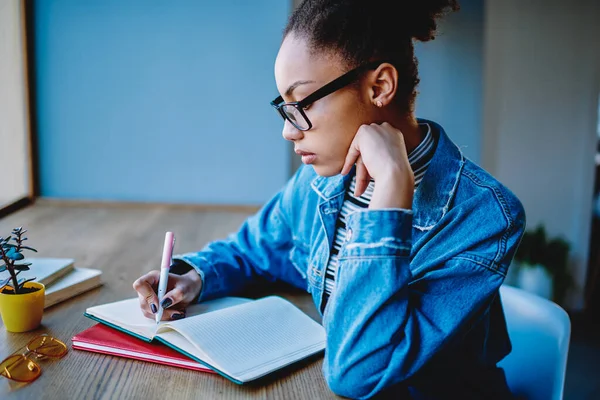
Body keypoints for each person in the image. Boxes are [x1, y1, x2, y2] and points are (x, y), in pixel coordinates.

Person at [133, 0, 525, 398]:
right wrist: (193, 278)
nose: (288, 132)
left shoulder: (484, 216)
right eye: (283, 108)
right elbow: (257, 249)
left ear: (379, 87)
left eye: (301, 104)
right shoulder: (317, 182)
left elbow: (360, 373)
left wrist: (391, 190)